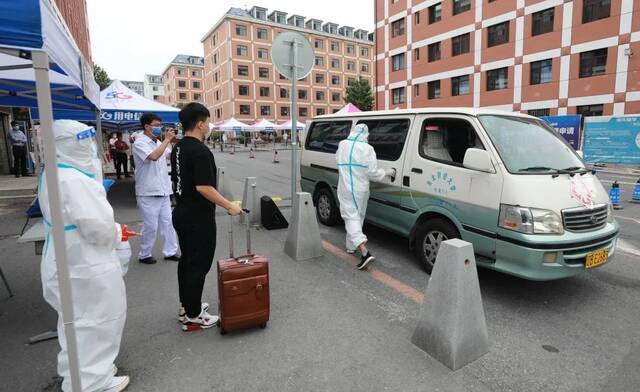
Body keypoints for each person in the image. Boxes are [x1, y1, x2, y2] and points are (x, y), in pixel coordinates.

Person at [38, 120, 129, 392]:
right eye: (84, 140)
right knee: (98, 320)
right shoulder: (74, 180)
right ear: (67, 146)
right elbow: (97, 227)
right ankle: (93, 382)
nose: (90, 146)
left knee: (75, 322)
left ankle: (77, 373)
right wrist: (116, 233)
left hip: (67, 256)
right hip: (84, 261)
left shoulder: (55, 173)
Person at [171, 103, 242, 328]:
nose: (209, 126)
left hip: (181, 212)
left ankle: (187, 306)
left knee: (187, 263)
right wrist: (229, 205)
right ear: (201, 124)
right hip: (197, 218)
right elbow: (204, 187)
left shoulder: (179, 147)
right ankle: (193, 316)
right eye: (208, 122)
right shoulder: (200, 151)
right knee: (198, 265)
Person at [335, 123, 395, 270]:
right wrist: (388, 173)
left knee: (351, 218)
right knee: (358, 217)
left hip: (346, 188)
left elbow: (337, 160)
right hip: (361, 190)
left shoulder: (342, 145)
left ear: (352, 131)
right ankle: (351, 246)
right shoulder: (368, 149)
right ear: (366, 135)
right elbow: (373, 173)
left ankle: (364, 251)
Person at [133, 113, 180, 264]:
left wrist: (174, 142)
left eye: (160, 125)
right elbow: (153, 156)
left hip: (164, 191)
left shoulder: (157, 142)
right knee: (150, 226)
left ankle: (170, 251)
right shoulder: (140, 143)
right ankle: (144, 254)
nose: (159, 128)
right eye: (156, 125)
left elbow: (169, 155)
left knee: (169, 223)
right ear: (146, 126)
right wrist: (166, 140)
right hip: (148, 193)